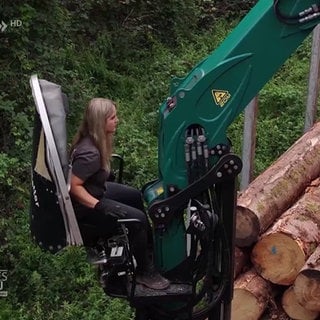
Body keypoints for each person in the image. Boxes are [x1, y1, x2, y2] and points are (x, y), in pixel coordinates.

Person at [69, 98, 170, 290]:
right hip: (86, 206)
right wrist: (99, 206)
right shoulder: (90, 153)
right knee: (137, 220)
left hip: (97, 190)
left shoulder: (94, 141)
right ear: (101, 122)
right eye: (113, 117)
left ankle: (147, 251)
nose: (117, 120)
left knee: (133, 195)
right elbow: (73, 187)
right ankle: (143, 272)